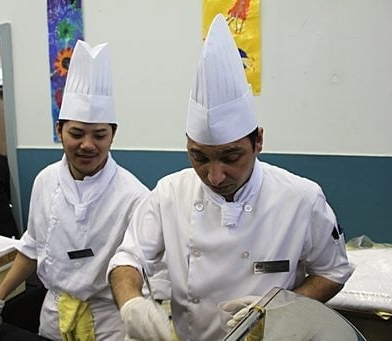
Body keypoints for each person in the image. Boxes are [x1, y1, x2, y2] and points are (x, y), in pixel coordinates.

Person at [106, 14, 354, 341]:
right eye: (199, 157)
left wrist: (284, 308)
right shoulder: (169, 193)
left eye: (231, 156)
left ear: (258, 142)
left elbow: (332, 271)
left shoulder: (301, 198)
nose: (215, 175)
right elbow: (128, 258)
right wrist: (131, 303)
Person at [0, 40, 161, 340]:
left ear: (113, 135)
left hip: (109, 324)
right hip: (53, 316)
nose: (88, 145)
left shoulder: (135, 196)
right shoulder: (45, 181)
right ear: (59, 130)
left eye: (99, 135)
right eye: (76, 133)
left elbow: (146, 268)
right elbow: (32, 248)